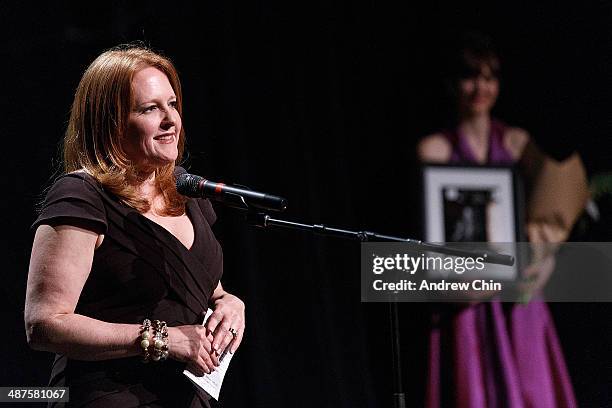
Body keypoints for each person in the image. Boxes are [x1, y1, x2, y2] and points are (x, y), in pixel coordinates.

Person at [25, 45, 245, 407]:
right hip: (108, 395)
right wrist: (163, 340)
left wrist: (230, 302)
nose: (171, 120)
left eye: (172, 104)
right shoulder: (82, 196)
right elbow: (45, 323)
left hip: (184, 397)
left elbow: (205, 290)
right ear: (110, 122)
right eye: (150, 109)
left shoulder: (186, 192)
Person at [417, 33, 586, 407]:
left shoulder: (516, 143)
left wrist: (545, 259)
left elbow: (546, 209)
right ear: (453, 84)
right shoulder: (434, 149)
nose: (481, 87)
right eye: (471, 77)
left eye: (489, 77)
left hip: (517, 295)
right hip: (465, 297)